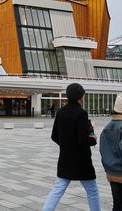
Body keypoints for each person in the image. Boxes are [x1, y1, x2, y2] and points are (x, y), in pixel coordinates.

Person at [43, 83, 100, 211]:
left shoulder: (60, 112)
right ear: (80, 96)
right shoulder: (81, 114)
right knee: (92, 191)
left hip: (65, 158)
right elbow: (82, 140)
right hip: (82, 161)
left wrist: (65, 145)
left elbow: (54, 136)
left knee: (58, 189)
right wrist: (93, 140)